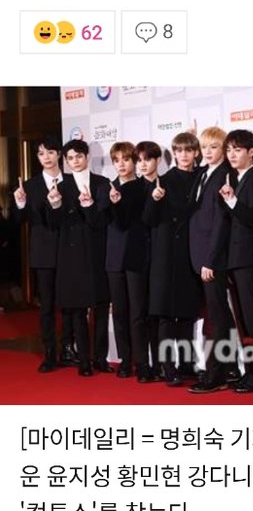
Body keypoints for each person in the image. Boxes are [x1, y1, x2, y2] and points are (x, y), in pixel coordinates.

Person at [13, 135, 77, 372]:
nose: (46, 157)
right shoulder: (30, 186)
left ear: (59, 154)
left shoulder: (72, 181)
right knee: (47, 305)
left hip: (70, 250)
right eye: (41, 153)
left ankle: (69, 348)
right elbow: (21, 220)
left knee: (71, 302)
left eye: (50, 152)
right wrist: (20, 204)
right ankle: (50, 352)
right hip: (43, 252)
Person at [48, 139, 111, 376]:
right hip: (71, 255)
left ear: (87, 157)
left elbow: (102, 220)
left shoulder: (102, 183)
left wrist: (89, 205)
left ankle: (101, 359)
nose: (74, 161)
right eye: (70, 158)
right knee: (77, 310)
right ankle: (84, 361)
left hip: (97, 252)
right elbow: (54, 225)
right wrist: (55, 205)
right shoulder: (60, 186)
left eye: (78, 157)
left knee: (101, 307)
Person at [143, 132, 202, 386]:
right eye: (179, 151)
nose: (184, 155)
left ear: (196, 153)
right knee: (166, 314)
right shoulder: (163, 181)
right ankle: (168, 367)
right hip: (165, 254)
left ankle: (186, 364)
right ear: (174, 153)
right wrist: (155, 200)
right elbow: (147, 219)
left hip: (191, 252)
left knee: (187, 313)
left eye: (188, 150)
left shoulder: (202, 177)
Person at [188, 127, 240, 393]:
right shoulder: (203, 173)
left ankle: (216, 374)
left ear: (224, 150)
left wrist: (210, 260)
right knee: (220, 314)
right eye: (204, 147)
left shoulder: (225, 175)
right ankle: (230, 368)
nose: (207, 152)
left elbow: (221, 223)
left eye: (214, 147)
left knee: (217, 317)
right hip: (199, 256)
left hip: (212, 259)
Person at [219, 129, 253, 393]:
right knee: (245, 319)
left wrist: (232, 201)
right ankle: (251, 370)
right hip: (236, 261)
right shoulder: (236, 179)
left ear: (252, 152)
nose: (231, 155)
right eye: (228, 150)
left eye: (237, 150)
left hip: (251, 260)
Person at [105, 142, 150, 383]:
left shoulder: (145, 187)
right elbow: (105, 222)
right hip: (114, 258)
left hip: (136, 256)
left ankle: (142, 362)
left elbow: (139, 221)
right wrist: (112, 203)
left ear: (134, 161)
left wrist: (118, 204)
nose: (121, 164)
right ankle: (125, 359)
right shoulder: (106, 188)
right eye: (116, 160)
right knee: (120, 312)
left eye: (126, 159)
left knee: (138, 312)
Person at [134, 140, 164, 380]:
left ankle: (160, 364)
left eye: (147, 159)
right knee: (138, 313)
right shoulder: (131, 188)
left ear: (158, 160)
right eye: (139, 160)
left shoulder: (167, 185)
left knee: (157, 313)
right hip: (136, 259)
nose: (143, 164)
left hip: (160, 257)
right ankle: (142, 364)